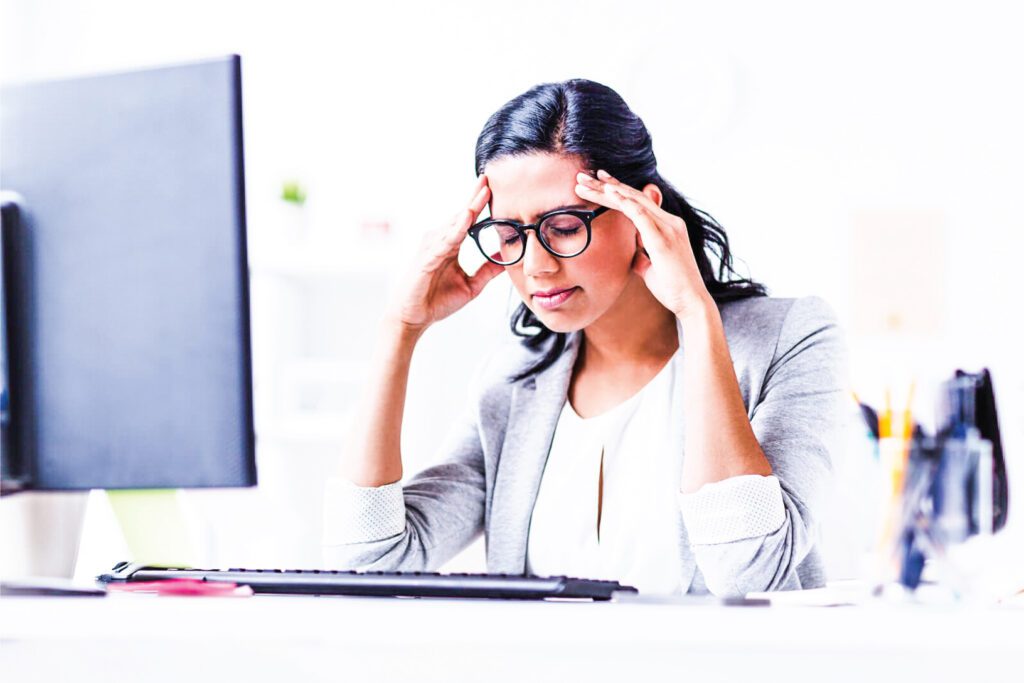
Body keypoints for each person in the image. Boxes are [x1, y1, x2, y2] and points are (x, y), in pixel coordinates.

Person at [322, 79, 849, 597]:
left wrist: (695, 313)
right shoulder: (514, 383)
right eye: (508, 235)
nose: (535, 266)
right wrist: (399, 330)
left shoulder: (789, 339)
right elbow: (367, 562)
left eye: (566, 226)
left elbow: (749, 575)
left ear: (640, 211)